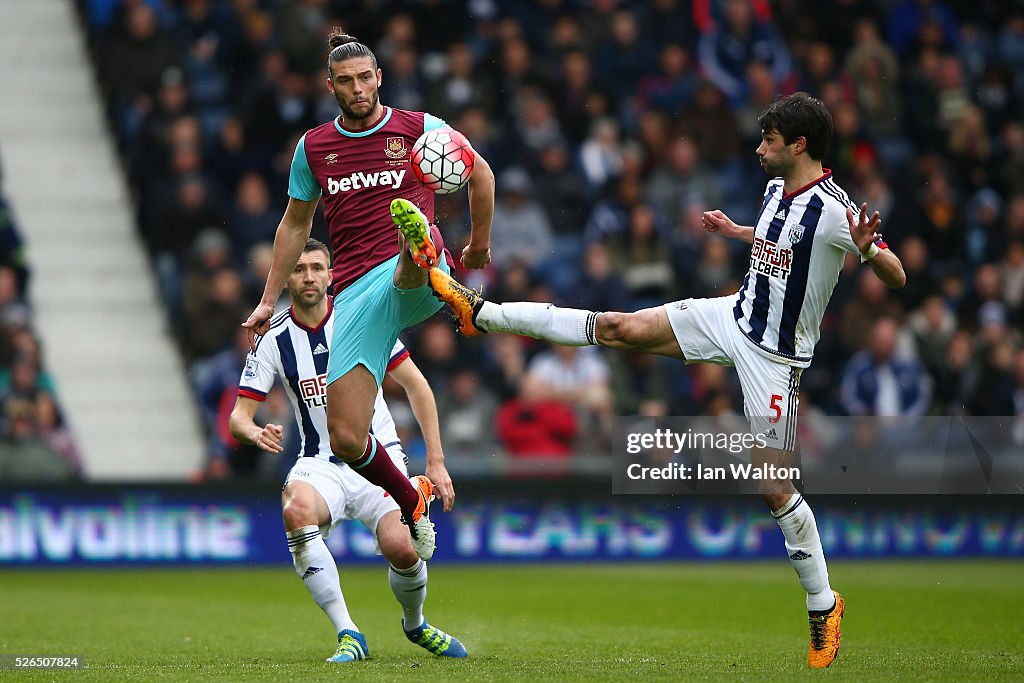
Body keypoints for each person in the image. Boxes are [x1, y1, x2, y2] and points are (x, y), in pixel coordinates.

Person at [428, 92, 906, 669]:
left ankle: (823, 604)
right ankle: (479, 314)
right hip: (732, 315)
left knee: (773, 487)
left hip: (774, 358)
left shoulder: (836, 211)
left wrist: (868, 253)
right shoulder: (779, 188)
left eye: (769, 141)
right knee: (620, 326)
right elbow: (781, 239)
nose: (758, 150)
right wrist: (737, 233)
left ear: (800, 145)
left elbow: (896, 273)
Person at [241, 31, 495, 561]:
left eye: (365, 78)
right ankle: (412, 500)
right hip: (356, 298)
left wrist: (477, 246)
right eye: (345, 81)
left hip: (417, 278)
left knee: (406, 251)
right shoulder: (313, 148)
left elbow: (482, 174)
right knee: (348, 439)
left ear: (380, 78)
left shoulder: (421, 130)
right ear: (330, 86)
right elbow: (294, 224)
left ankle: (420, 251)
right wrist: (268, 299)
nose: (357, 88)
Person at [230, 239, 466, 663]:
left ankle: (415, 624)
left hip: (379, 459)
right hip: (320, 462)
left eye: (316, 268)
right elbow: (238, 417)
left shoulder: (361, 319)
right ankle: (349, 633)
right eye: (299, 269)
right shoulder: (272, 340)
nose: (308, 277)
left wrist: (437, 461)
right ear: (287, 277)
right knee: (295, 510)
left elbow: (417, 385)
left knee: (404, 548)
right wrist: (254, 432)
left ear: (331, 273)